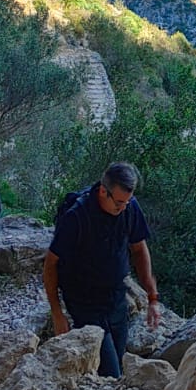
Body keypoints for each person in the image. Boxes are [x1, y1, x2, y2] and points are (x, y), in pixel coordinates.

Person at [43, 161, 160, 377]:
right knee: (111, 374)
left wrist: (152, 298)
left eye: (127, 202)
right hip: (84, 301)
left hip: (116, 298)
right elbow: (51, 264)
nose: (123, 208)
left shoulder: (129, 207)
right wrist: (57, 312)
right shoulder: (77, 216)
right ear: (103, 191)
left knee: (119, 362)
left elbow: (139, 249)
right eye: (118, 203)